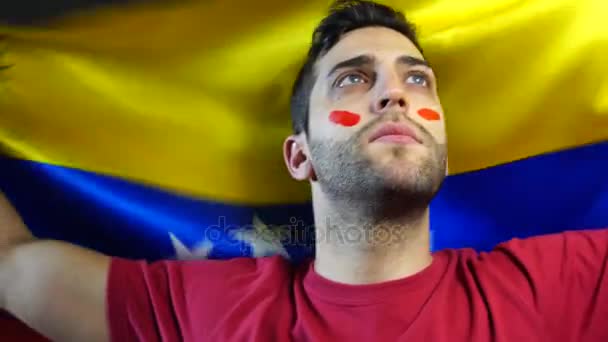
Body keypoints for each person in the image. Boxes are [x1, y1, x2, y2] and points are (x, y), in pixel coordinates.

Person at [1, 1, 607, 341]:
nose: (394, 95)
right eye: (354, 79)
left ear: (443, 151)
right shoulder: (212, 310)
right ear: (301, 156)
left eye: (416, 79)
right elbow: (12, 268)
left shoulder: (559, 284)